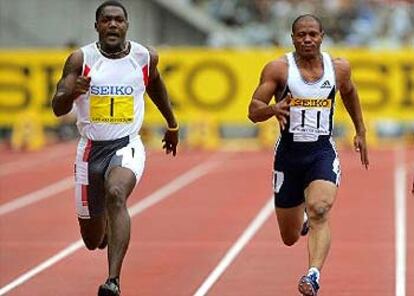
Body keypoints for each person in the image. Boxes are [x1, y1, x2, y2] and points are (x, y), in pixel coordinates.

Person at [51, 1, 179, 295]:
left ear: (126, 25)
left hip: (127, 144)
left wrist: (171, 125)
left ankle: (113, 281)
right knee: (93, 240)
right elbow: (57, 108)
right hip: (89, 150)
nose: (112, 25)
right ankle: (108, 224)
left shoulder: (144, 57)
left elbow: (156, 85)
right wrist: (71, 93)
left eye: (118, 20)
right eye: (106, 20)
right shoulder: (80, 59)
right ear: (96, 26)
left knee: (116, 193)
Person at [248, 14, 369, 296]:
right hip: (289, 155)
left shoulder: (338, 68)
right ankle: (300, 220)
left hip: (321, 151)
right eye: (301, 35)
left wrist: (360, 130)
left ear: (322, 36)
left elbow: (350, 94)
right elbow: (253, 110)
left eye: (312, 34)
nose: (307, 39)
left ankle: (313, 275)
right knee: (289, 238)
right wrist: (272, 110)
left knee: (320, 209)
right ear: (292, 38)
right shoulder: (279, 69)